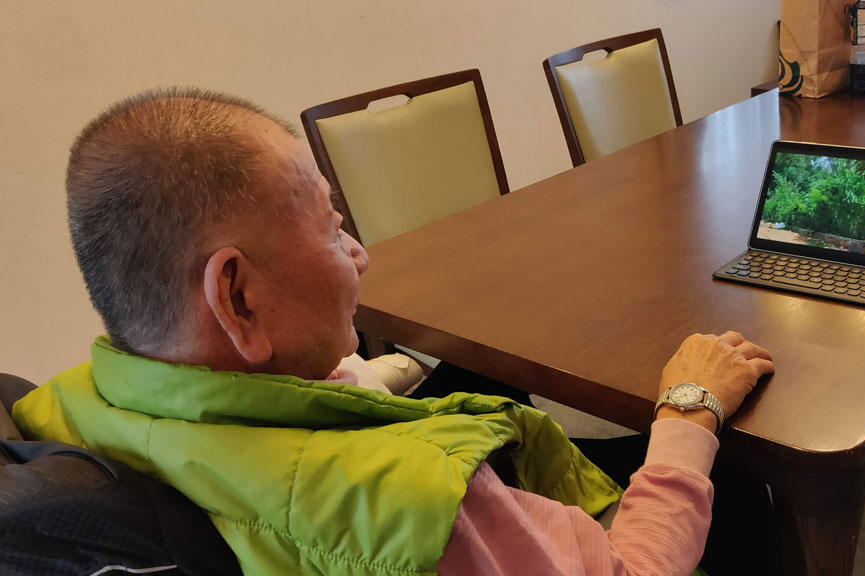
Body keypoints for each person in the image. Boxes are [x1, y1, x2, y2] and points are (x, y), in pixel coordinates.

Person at [13, 88, 774, 575]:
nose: (361, 255)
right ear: (237, 296)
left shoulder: (70, 402)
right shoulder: (424, 507)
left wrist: (379, 376)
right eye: (333, 226)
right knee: (741, 483)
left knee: (488, 380)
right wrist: (687, 409)